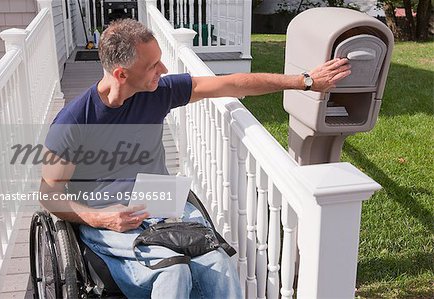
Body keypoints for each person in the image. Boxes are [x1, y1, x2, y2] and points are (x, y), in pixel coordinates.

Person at [39, 19, 350, 299]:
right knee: (171, 271)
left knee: (218, 264)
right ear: (122, 73)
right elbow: (49, 192)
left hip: (157, 199)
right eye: (153, 65)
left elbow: (231, 83)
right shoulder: (73, 122)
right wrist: (100, 218)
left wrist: (305, 81)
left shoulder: (157, 91)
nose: (162, 70)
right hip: (109, 216)